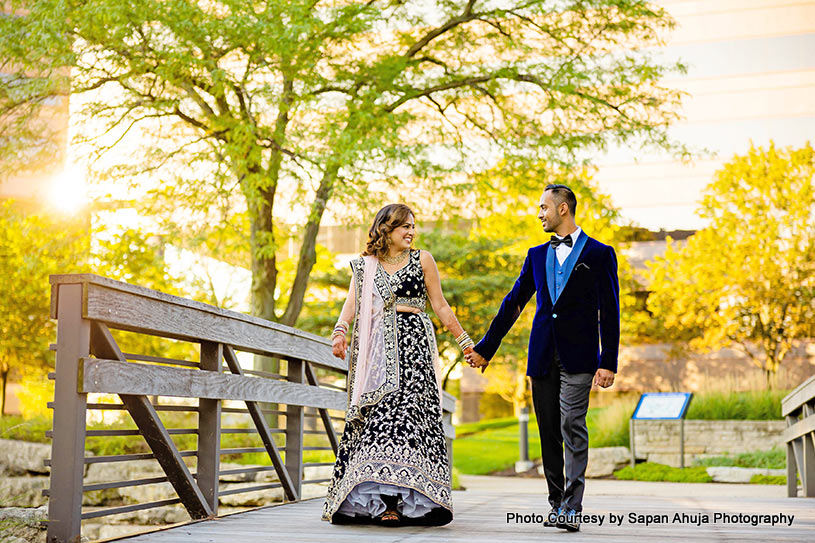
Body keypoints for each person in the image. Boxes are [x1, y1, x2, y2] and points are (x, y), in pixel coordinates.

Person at [465, 184, 619, 532]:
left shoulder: (599, 253)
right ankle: (556, 503)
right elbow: (513, 303)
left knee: (571, 425)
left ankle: (572, 507)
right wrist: (486, 348)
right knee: (548, 430)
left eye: (544, 207)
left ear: (563, 209)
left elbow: (610, 310)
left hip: (581, 358)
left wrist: (608, 360)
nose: (539, 214)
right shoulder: (536, 255)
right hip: (543, 355)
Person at [322, 203, 475, 526]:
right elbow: (353, 303)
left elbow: (440, 305)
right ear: (386, 229)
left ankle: (410, 500)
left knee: (408, 419)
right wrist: (340, 332)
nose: (411, 232)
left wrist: (466, 343)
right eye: (404, 226)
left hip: (414, 350)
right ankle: (386, 503)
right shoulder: (367, 266)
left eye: (413, 226)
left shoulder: (423, 260)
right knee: (383, 419)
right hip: (378, 353)